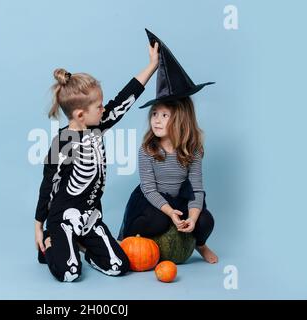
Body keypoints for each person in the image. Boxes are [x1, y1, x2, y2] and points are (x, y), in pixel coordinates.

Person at [34, 43, 159, 282]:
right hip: (63, 218)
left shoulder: (98, 126)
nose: (104, 109)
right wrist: (39, 226)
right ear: (81, 114)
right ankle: (51, 244)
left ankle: (85, 248)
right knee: (70, 273)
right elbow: (48, 185)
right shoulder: (62, 142)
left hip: (90, 216)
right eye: (99, 106)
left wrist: (152, 66)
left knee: (118, 266)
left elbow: (124, 100)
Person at [118, 29, 218, 264]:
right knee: (157, 221)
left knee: (206, 220)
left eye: (164, 115)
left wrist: (192, 217)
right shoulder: (148, 149)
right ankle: (134, 242)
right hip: (153, 199)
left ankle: (200, 245)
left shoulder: (192, 150)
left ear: (181, 119)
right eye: (154, 114)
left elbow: (197, 189)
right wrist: (170, 213)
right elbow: (149, 189)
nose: (156, 120)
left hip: (181, 198)